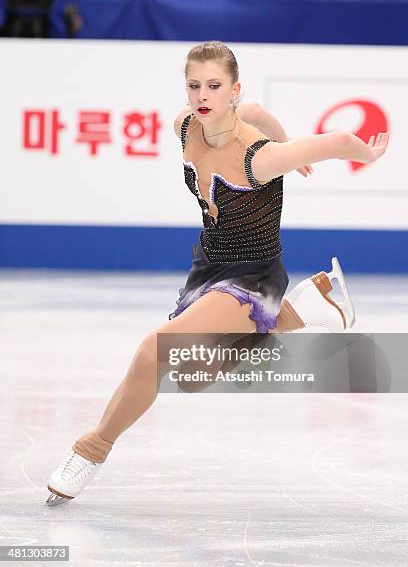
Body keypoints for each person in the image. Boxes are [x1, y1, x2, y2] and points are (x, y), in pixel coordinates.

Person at [45, 41, 389, 506]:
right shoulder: (185, 126)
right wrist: (276, 129)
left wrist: (355, 154)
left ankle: (92, 448)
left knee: (153, 351)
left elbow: (339, 142)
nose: (202, 95)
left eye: (214, 86)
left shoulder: (260, 157)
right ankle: (305, 312)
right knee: (190, 375)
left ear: (233, 90)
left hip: (252, 278)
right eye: (194, 86)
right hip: (209, 268)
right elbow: (261, 109)